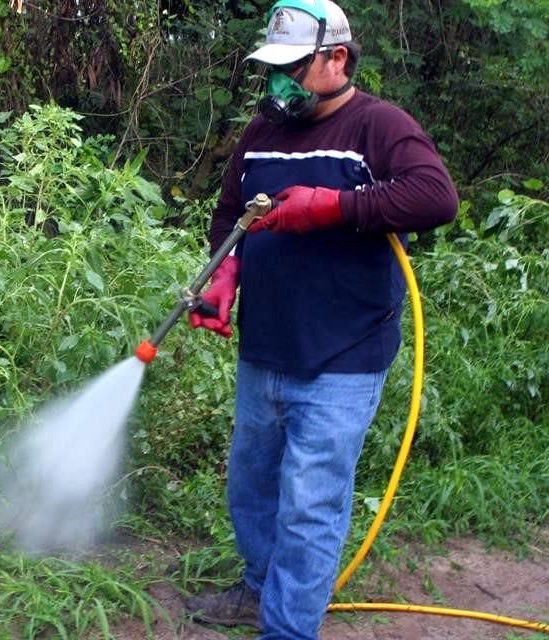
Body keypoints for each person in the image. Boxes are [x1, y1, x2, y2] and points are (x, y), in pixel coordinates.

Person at [184, 1, 459, 638]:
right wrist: (226, 271)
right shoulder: (261, 134)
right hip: (266, 347)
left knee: (310, 507)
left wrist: (331, 207)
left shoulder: (378, 127)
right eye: (271, 71)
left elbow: (435, 196)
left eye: (293, 69)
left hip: (344, 353)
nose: (278, 86)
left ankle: (287, 629)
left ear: (336, 59)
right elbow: (232, 215)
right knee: (250, 490)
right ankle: (259, 590)